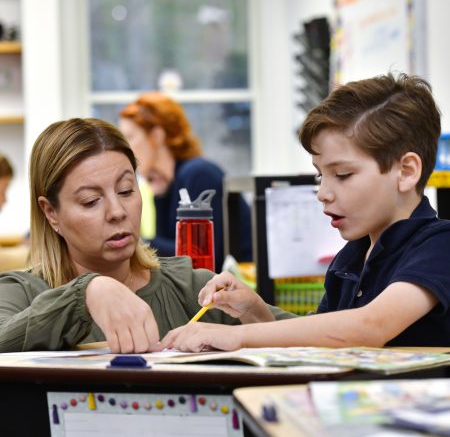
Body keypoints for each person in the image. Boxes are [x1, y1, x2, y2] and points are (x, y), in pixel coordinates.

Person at [159, 72, 450, 352]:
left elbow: (370, 327)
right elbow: (317, 344)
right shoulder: (350, 258)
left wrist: (240, 335)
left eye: (343, 174)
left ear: (407, 171)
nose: (323, 193)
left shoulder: (439, 245)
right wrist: (254, 310)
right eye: (320, 176)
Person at [0, 118, 293, 353]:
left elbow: (321, 345)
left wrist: (256, 315)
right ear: (51, 212)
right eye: (91, 201)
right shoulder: (21, 293)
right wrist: (86, 292)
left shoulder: (194, 289)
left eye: (127, 191)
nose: (117, 212)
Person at [119, 92, 252, 272]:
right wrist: (160, 194)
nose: (125, 148)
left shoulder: (198, 173)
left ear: (157, 136)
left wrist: (136, 241)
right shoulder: (165, 184)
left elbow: (198, 259)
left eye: (130, 137)